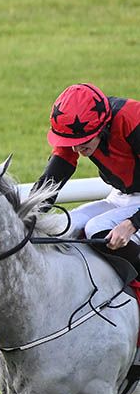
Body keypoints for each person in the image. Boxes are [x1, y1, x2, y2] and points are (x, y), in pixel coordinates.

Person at [35, 83, 140, 265]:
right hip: (122, 196)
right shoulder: (76, 127)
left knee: (96, 228)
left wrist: (132, 224)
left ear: (102, 128)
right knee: (62, 226)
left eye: (83, 142)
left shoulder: (132, 118)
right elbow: (53, 178)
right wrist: (27, 215)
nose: (76, 148)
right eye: (72, 142)